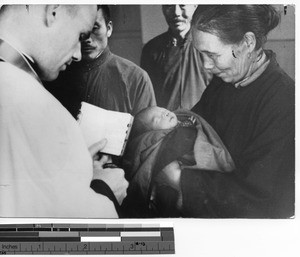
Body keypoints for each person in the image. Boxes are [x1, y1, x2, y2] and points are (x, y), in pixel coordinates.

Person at [159, 5, 295, 218]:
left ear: (247, 43)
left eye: (212, 55)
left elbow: (259, 197)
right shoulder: (224, 81)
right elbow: (195, 125)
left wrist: (179, 178)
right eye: (200, 54)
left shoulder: (285, 101)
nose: (205, 65)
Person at [0, 5, 128, 218]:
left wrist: (74, 169)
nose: (78, 54)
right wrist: (105, 190)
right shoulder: (27, 99)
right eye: (81, 35)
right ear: (53, 11)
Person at [122, 106, 235, 217]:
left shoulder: (187, 121)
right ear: (152, 133)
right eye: (157, 119)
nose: (164, 114)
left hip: (208, 181)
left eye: (163, 110)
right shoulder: (163, 140)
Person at [46, 5, 156, 119]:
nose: (87, 39)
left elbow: (148, 134)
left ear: (109, 29)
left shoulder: (136, 78)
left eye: (94, 28)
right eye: (81, 29)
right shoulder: (55, 74)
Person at [140, 5, 212, 111]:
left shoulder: (211, 44)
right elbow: (148, 98)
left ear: (195, 6)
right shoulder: (151, 49)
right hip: (167, 124)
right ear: (163, 9)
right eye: (169, 6)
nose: (176, 13)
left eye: (182, 5)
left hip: (204, 124)